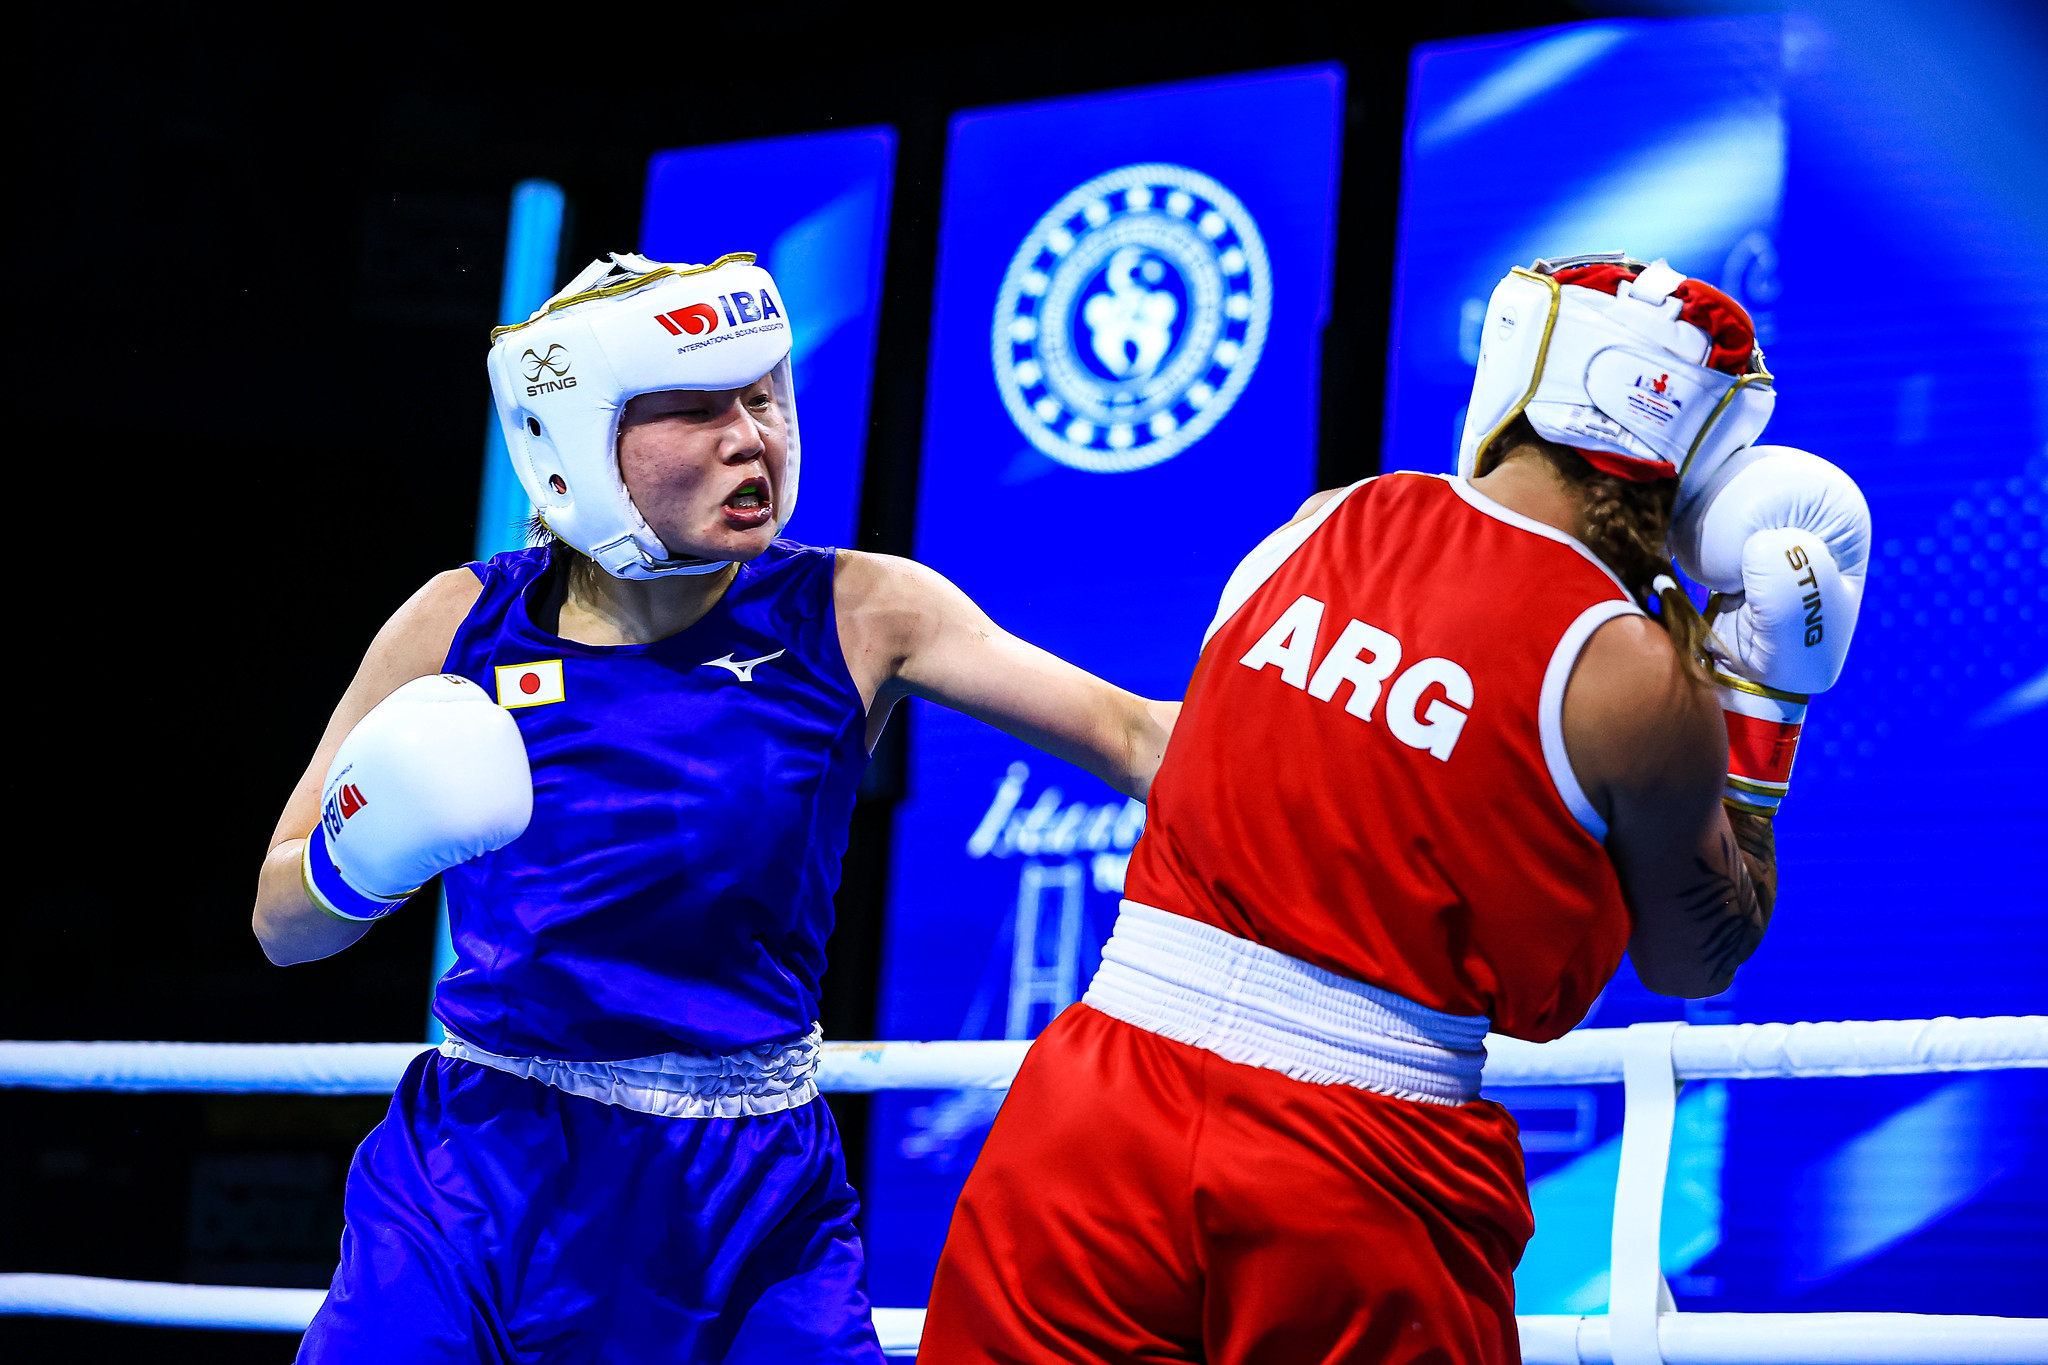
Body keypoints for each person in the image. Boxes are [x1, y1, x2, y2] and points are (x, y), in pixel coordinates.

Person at [918, 254, 1872, 1364]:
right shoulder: (1635, 680)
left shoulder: (1325, 522)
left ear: (1517, 367)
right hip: (1358, 1161)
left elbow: (1228, 753)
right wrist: (1764, 706)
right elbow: (1694, 956)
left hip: (1093, 1106)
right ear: (1705, 462)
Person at [252, 251, 1178, 1364]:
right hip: (477, 1180)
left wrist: (1330, 676)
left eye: (767, 394)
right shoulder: (456, 624)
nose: (754, 436)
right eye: (697, 408)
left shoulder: (859, 608)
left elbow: (1136, 739)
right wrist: (365, 853)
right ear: (573, 442)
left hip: (748, 1196)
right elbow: (281, 928)